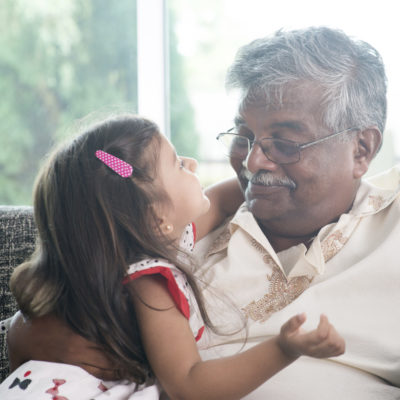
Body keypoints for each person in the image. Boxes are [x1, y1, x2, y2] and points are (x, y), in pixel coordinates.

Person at [0, 114, 345, 399]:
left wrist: (271, 176)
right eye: (179, 164)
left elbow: (226, 198)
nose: (193, 163)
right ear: (157, 219)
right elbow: (188, 385)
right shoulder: (149, 281)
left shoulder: (158, 242)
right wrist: (284, 348)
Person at [192, 26, 400, 398]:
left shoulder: (392, 232)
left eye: (285, 144)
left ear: (362, 150)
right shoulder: (183, 236)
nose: (254, 161)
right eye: (244, 138)